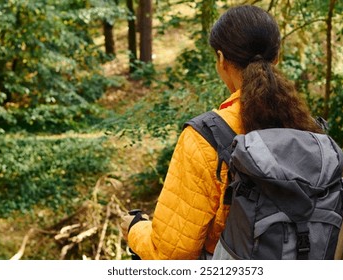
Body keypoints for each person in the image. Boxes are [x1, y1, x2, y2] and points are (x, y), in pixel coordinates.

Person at [120, 4, 322, 260]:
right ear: (277, 57)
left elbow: (172, 255)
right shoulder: (307, 130)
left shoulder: (206, 137)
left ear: (221, 59)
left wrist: (135, 228)